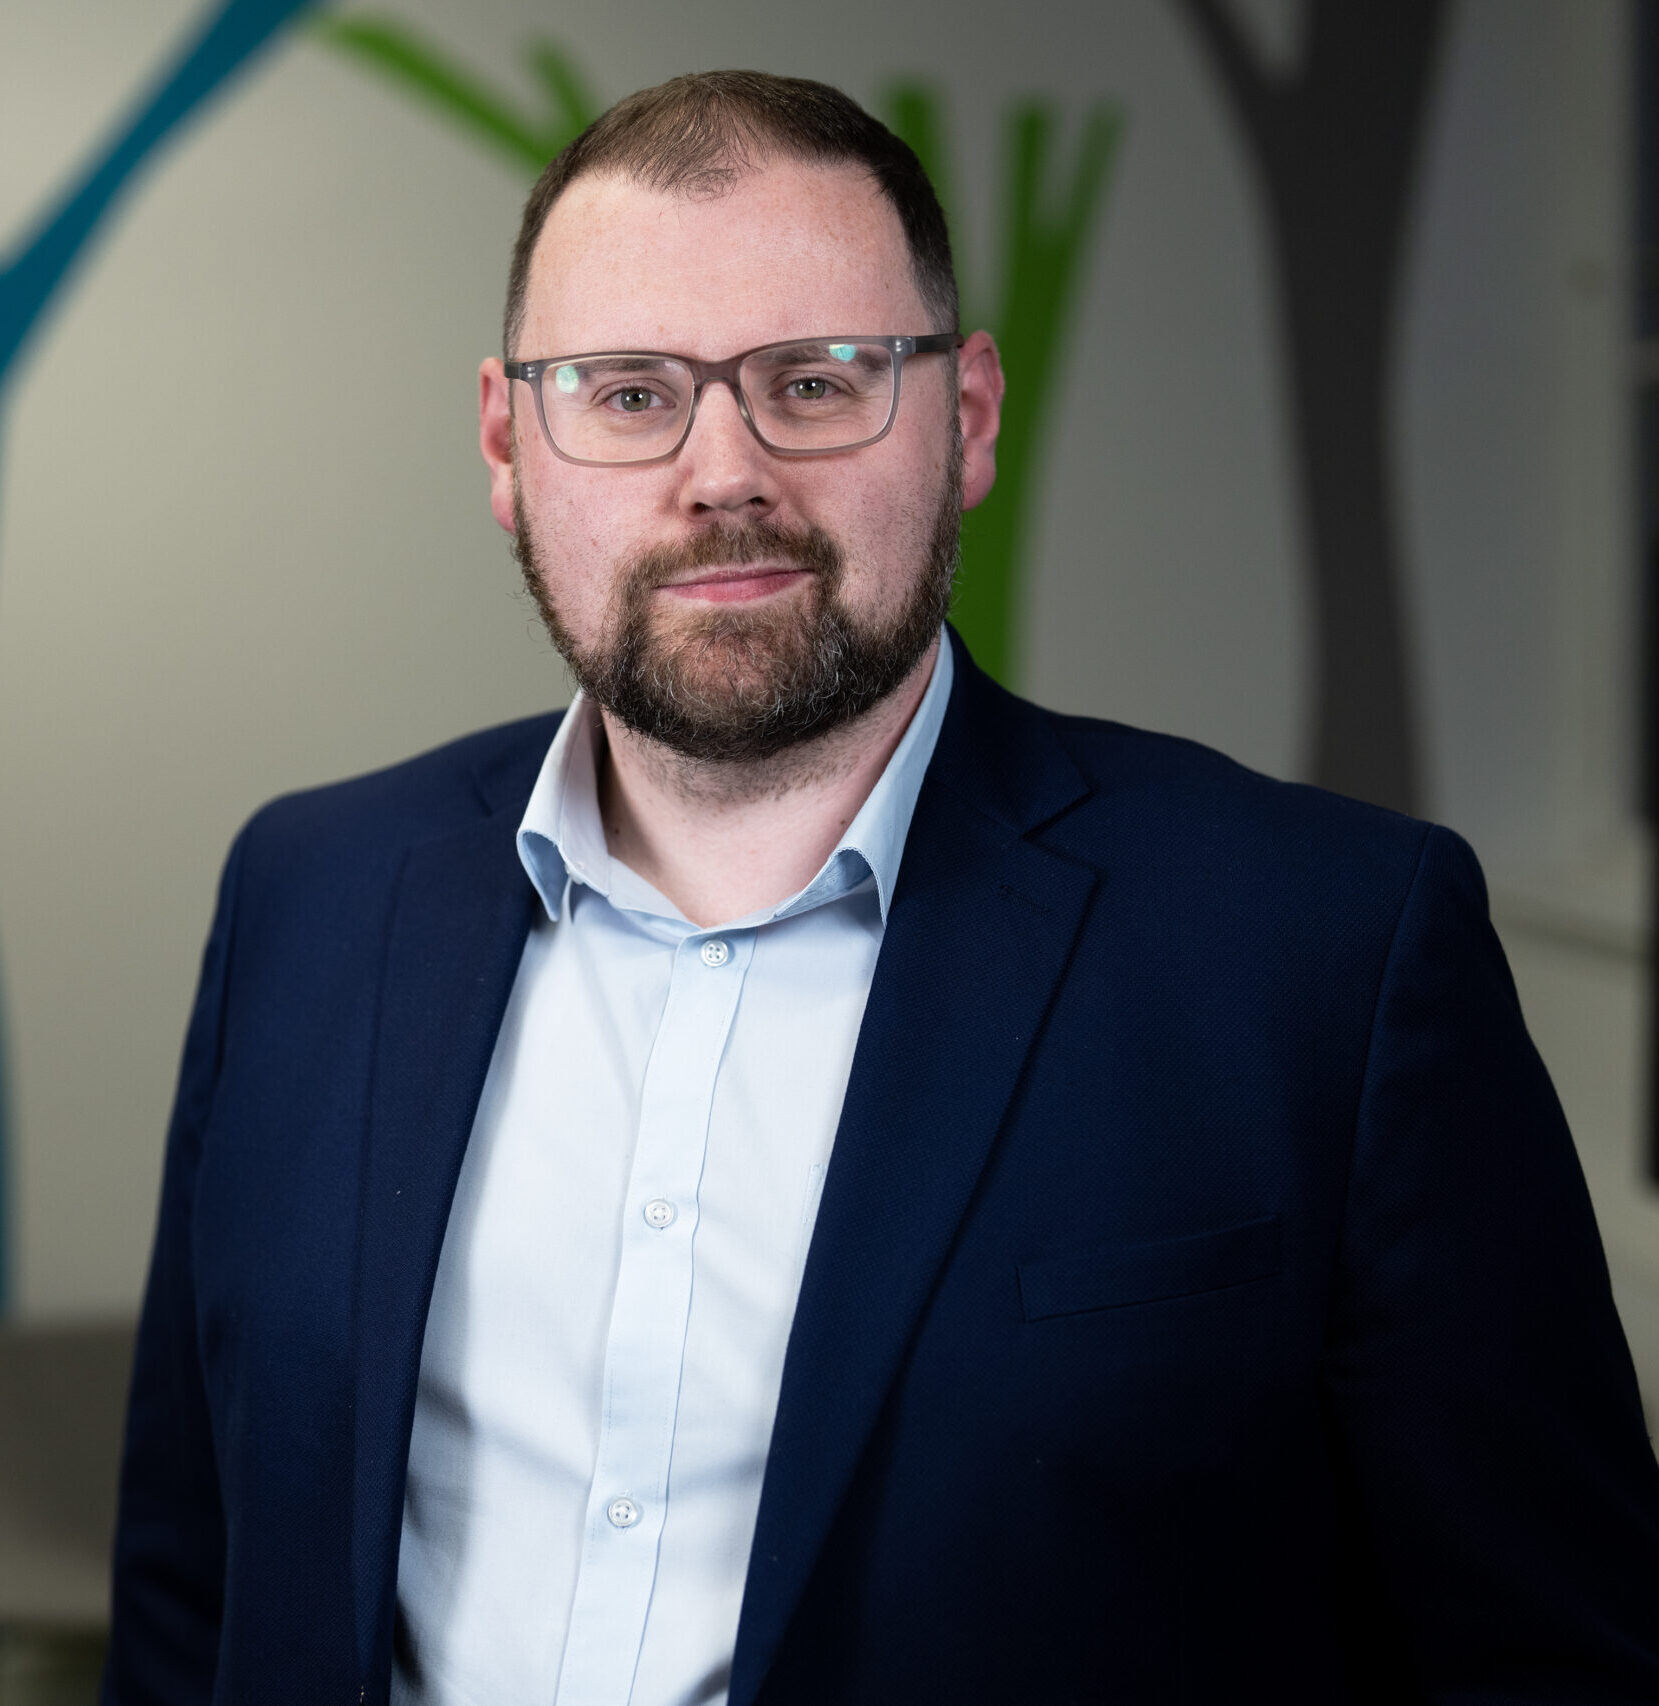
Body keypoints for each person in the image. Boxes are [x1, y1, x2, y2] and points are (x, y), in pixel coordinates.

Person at [103, 70, 1659, 1706]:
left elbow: (1555, 1660)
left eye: (816, 380)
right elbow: (193, 1588)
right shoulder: (309, 896)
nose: (724, 472)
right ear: (509, 442)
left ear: (968, 417)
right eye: (628, 393)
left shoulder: (1327, 954)